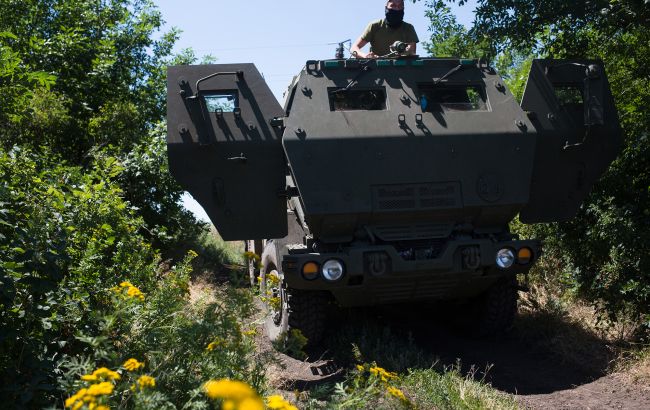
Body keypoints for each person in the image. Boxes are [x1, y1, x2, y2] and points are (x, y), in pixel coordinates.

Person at [350, 0, 419, 59]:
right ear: (386, 8)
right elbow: (353, 48)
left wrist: (407, 53)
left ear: (403, 8)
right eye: (393, 5)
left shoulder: (408, 28)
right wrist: (366, 56)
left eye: (400, 6)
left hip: (401, 70)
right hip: (376, 70)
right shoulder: (375, 26)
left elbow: (412, 52)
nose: (397, 9)